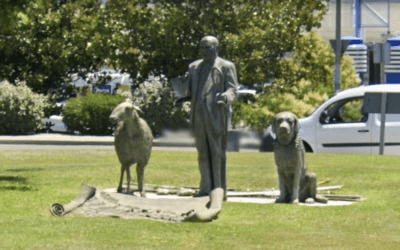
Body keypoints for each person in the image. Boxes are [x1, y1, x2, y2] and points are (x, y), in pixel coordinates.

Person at [186, 35, 238, 199]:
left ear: (216, 48)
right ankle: (205, 188)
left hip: (216, 115)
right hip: (198, 116)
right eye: (201, 47)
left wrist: (226, 97)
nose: (202, 50)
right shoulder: (194, 67)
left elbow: (233, 90)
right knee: (202, 152)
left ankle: (219, 189)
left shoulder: (226, 66)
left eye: (206, 47)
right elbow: (189, 92)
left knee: (218, 154)